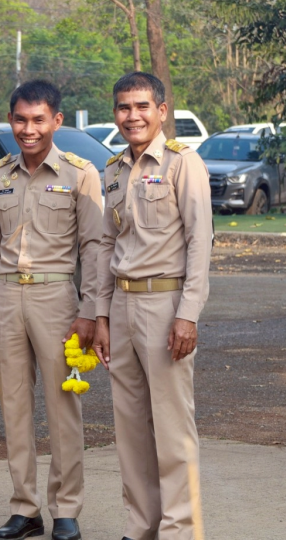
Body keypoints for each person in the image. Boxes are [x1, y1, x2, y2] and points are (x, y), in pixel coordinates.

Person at [0, 80, 104, 540]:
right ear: (11, 121)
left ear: (56, 121)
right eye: (21, 120)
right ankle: (24, 508)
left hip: (57, 299)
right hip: (6, 298)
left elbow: (94, 248)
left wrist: (90, 310)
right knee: (14, 408)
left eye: (39, 120)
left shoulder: (79, 173)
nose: (29, 129)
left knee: (62, 407)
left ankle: (66, 509)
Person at [93, 72, 212, 540]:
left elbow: (200, 241)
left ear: (162, 111)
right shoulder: (115, 169)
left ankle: (179, 529)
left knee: (173, 428)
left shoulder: (185, 164)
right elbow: (106, 243)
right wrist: (100, 315)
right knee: (131, 429)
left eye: (142, 106)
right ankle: (141, 526)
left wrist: (188, 314)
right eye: (124, 107)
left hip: (166, 304)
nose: (132, 116)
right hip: (122, 305)